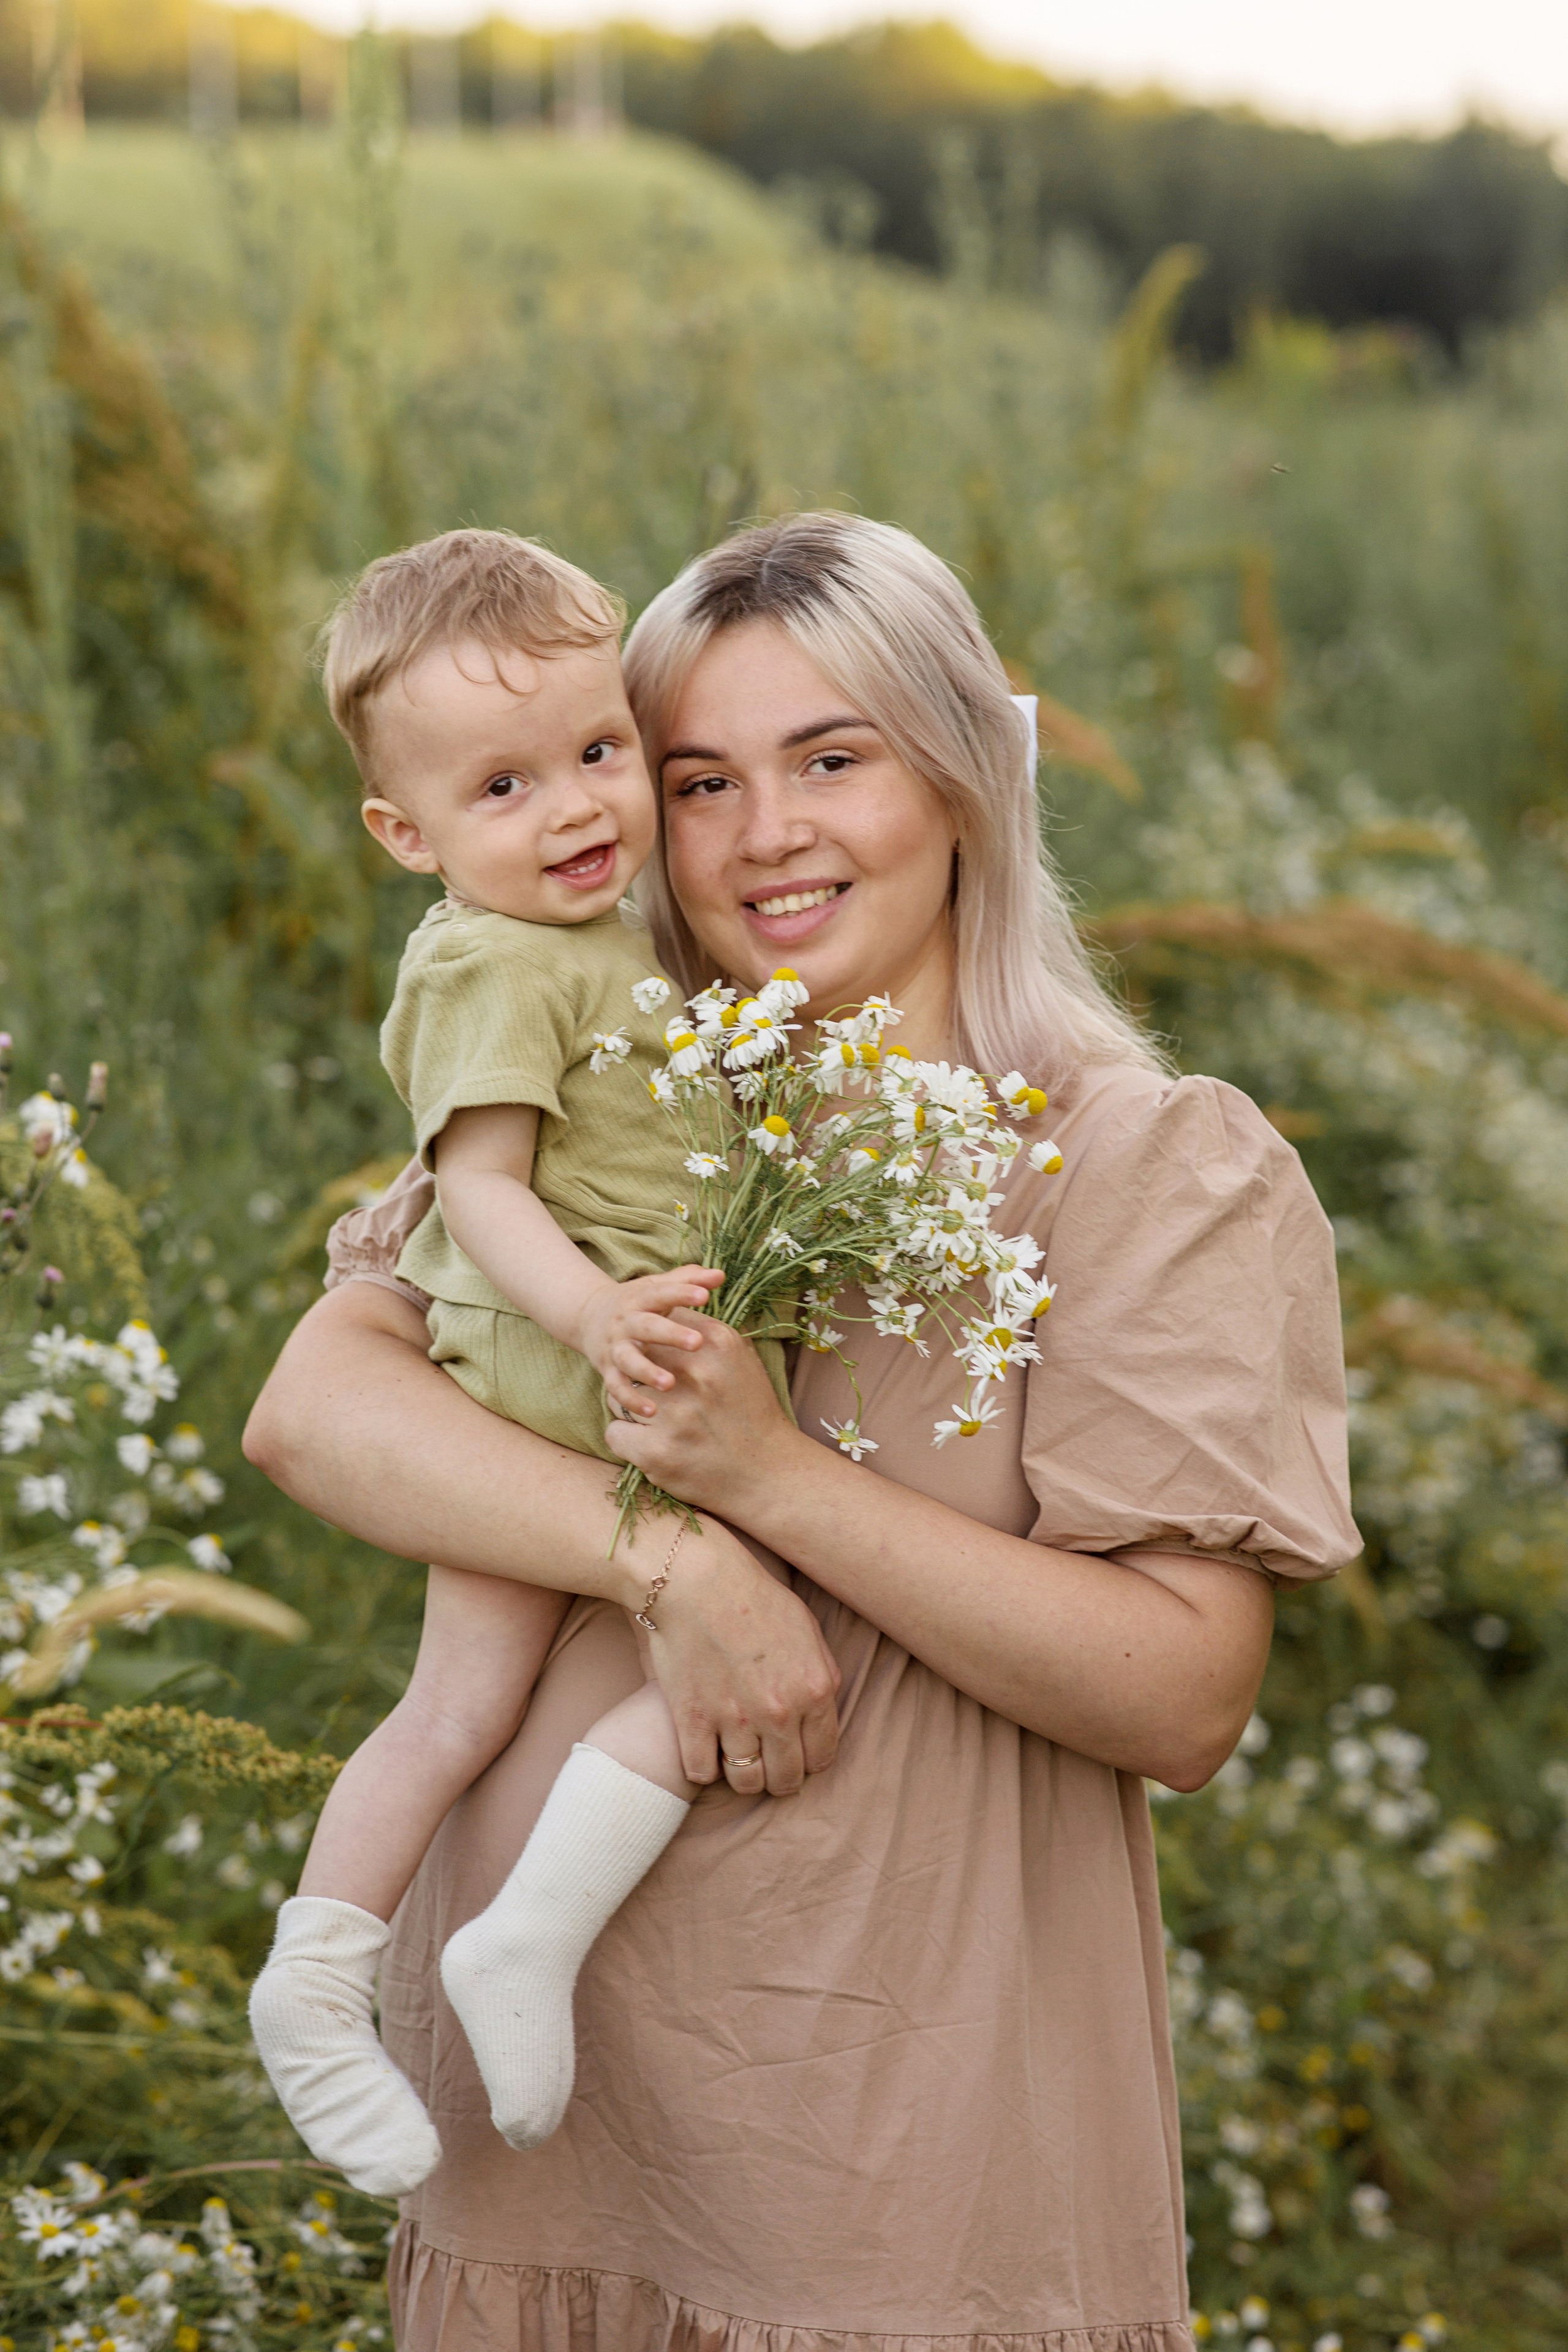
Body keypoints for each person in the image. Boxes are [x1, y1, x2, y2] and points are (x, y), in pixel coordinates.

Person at [246, 512, 1360, 2352]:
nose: (765, 834)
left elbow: (1183, 1695)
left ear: (968, 771)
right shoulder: (627, 1103)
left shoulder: (1146, 1164)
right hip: (556, 2158)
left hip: (903, 2171)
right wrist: (672, 1561)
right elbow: (321, 1409)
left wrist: (770, 1490)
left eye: (832, 759)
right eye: (699, 778)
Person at [249, 528, 797, 2195]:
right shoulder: (484, 960)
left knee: (693, 1686)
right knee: (457, 1710)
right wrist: (594, 1322)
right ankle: (316, 1979)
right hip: (543, 1383)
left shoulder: (618, 941)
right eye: (503, 788)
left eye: (596, 753)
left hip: (643, 1392)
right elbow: (480, 1186)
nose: (572, 808)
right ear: (404, 834)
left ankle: (522, 1941)